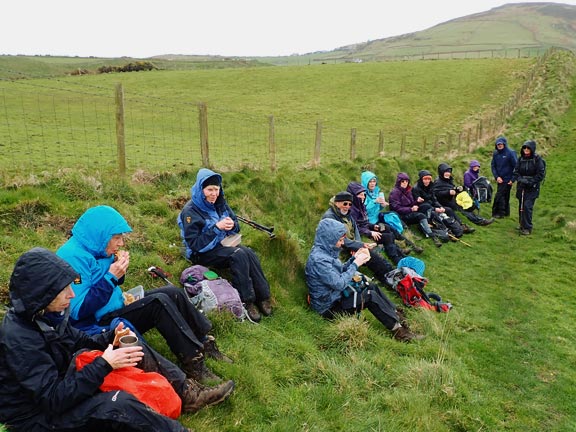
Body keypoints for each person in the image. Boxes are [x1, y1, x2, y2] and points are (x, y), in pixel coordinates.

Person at [0, 247, 235, 432]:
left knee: (130, 344)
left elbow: (81, 340)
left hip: (60, 384)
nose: (71, 295)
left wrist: (112, 337)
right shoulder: (20, 339)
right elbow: (52, 399)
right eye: (64, 291)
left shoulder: (48, 315)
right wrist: (105, 364)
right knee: (117, 403)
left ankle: (187, 393)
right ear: (43, 294)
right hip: (36, 417)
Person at [57, 205, 229, 384]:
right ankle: (193, 362)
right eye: (116, 238)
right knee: (158, 303)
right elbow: (78, 310)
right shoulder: (73, 258)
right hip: (97, 324)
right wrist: (111, 277)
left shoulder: (97, 248)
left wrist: (118, 273)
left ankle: (204, 340)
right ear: (101, 236)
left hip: (114, 305)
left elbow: (103, 280)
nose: (121, 243)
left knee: (172, 292)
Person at [178, 168, 272, 323]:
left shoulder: (220, 203)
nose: (213, 193)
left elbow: (236, 225)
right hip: (201, 253)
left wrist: (231, 225)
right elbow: (195, 244)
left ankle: (263, 296)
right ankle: (246, 301)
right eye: (209, 189)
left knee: (248, 252)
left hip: (220, 244)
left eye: (216, 189)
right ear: (201, 189)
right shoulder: (190, 211)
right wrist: (217, 228)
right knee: (238, 254)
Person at [305, 218, 420, 342]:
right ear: (329, 240)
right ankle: (399, 332)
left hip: (335, 297)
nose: (342, 243)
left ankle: (396, 313)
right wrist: (356, 264)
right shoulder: (319, 261)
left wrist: (354, 259)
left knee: (371, 286)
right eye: (339, 240)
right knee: (369, 296)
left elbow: (340, 271)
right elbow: (339, 284)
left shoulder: (327, 252)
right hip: (329, 307)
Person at [321, 191, 395, 286]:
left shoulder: (346, 213)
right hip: (339, 247)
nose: (347, 206)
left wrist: (358, 244)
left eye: (350, 204)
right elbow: (339, 239)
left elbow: (355, 229)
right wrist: (358, 246)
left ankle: (391, 271)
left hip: (351, 244)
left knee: (368, 252)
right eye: (345, 203)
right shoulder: (330, 217)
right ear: (337, 203)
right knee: (368, 253)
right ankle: (386, 278)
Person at [361, 170, 424, 254]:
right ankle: (400, 250)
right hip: (369, 223)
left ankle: (413, 246)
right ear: (366, 182)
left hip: (377, 218)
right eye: (370, 181)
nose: (372, 184)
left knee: (394, 230)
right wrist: (374, 202)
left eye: (374, 181)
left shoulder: (376, 192)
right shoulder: (362, 194)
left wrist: (382, 205)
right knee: (387, 234)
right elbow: (363, 210)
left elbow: (377, 208)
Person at [346, 181, 408, 264]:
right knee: (388, 237)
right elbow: (355, 227)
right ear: (353, 195)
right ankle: (396, 259)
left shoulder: (361, 205)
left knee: (386, 228)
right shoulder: (352, 210)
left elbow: (364, 222)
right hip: (361, 235)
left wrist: (372, 226)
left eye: (364, 194)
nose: (363, 197)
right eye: (360, 194)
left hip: (367, 229)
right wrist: (370, 232)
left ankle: (400, 253)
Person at [388, 172, 443, 248]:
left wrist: (417, 201)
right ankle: (431, 235)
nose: (405, 183)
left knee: (426, 206)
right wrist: (410, 209)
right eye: (403, 181)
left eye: (407, 181)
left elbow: (411, 202)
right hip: (402, 216)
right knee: (421, 215)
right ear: (399, 182)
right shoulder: (394, 193)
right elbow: (396, 208)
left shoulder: (408, 190)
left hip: (410, 211)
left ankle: (428, 225)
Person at [411, 169, 472, 236]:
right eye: (425, 179)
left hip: (432, 205)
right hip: (424, 209)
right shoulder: (416, 188)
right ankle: (446, 230)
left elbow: (434, 199)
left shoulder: (431, 186)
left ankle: (460, 225)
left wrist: (440, 207)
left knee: (448, 210)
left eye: (429, 179)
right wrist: (434, 209)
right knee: (435, 213)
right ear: (421, 179)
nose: (427, 181)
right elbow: (420, 204)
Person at [512, 140, 546, 235]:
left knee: (527, 206)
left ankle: (527, 228)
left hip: (532, 187)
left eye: (528, 148)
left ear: (532, 149)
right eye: (524, 148)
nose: (526, 150)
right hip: (521, 186)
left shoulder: (537, 159)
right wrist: (520, 180)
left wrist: (530, 182)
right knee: (521, 205)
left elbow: (540, 174)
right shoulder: (520, 159)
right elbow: (516, 172)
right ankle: (522, 224)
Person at [491, 136, 517, 218]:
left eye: (501, 144)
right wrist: (497, 177)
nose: (499, 146)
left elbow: (516, 167)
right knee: (504, 195)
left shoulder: (510, 153)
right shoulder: (495, 154)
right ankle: (506, 213)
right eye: (498, 144)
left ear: (504, 144)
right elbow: (493, 166)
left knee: (500, 196)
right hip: (500, 179)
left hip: (508, 179)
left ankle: (498, 213)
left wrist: (513, 179)